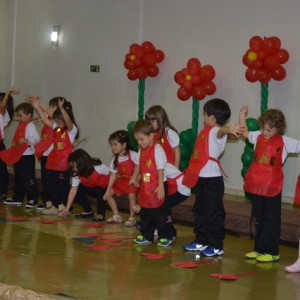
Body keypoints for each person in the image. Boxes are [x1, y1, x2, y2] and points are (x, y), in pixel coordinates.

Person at [182, 98, 244, 256]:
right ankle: (202, 241)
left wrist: (228, 130)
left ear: (212, 118)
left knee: (213, 213)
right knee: (200, 211)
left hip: (212, 181)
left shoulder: (215, 131)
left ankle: (216, 245)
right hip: (201, 179)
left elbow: (221, 131)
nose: (203, 117)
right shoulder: (205, 132)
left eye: (204, 114)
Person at [240, 107, 300, 263]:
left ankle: (272, 251)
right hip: (256, 186)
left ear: (278, 128)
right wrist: (241, 116)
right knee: (258, 218)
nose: (265, 132)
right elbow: (244, 132)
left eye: (269, 129)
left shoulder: (285, 141)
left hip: (272, 187)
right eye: (263, 128)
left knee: (271, 219)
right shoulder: (257, 136)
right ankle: (259, 249)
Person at [130, 119, 176, 247]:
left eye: (141, 139)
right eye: (137, 140)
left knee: (160, 212)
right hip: (146, 185)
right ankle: (146, 235)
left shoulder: (157, 149)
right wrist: (134, 177)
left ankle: (167, 235)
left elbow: (160, 169)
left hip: (159, 184)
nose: (139, 142)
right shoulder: (142, 149)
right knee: (146, 211)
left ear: (151, 135)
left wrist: (161, 186)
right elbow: (139, 164)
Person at [40, 97, 79, 215]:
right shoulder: (56, 128)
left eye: (58, 120)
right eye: (55, 121)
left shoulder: (71, 130)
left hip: (64, 163)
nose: (56, 122)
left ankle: (65, 207)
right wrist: (38, 107)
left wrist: (61, 108)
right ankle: (55, 205)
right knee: (51, 184)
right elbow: (47, 121)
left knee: (62, 186)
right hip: (53, 161)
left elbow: (67, 121)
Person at [1, 102, 40, 207]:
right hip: (18, 155)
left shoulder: (30, 126)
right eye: (17, 115)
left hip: (27, 157)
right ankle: (18, 197)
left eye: (20, 115)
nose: (18, 118)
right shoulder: (21, 124)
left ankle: (33, 198)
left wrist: (27, 140)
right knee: (18, 177)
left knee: (28, 178)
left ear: (29, 115)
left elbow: (37, 139)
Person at [27, 95, 59, 210]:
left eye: (54, 107)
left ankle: (55, 202)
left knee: (52, 180)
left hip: (55, 155)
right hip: (45, 153)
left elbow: (51, 117)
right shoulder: (46, 117)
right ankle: (46, 201)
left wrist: (39, 105)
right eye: (50, 106)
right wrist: (37, 105)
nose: (50, 109)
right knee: (45, 179)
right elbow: (44, 117)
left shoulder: (60, 122)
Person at [60, 149, 109, 220]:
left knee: (99, 191)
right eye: (72, 166)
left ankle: (101, 214)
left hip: (102, 187)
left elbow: (111, 175)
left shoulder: (98, 167)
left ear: (83, 163)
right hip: (90, 186)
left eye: (76, 166)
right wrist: (67, 208)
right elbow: (73, 190)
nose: (74, 169)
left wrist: (110, 189)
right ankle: (88, 210)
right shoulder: (76, 172)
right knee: (77, 190)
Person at [103, 130, 139, 227]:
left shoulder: (133, 154)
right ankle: (117, 216)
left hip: (134, 180)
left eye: (115, 144)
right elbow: (113, 175)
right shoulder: (115, 159)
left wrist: (135, 178)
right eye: (112, 145)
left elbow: (139, 166)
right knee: (108, 194)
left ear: (123, 145)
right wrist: (107, 190)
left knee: (132, 196)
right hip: (123, 181)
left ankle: (132, 218)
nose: (113, 147)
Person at [0, 87, 16, 201]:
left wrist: (9, 92)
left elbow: (2, 107)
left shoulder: (4, 115)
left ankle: (3, 192)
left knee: (2, 171)